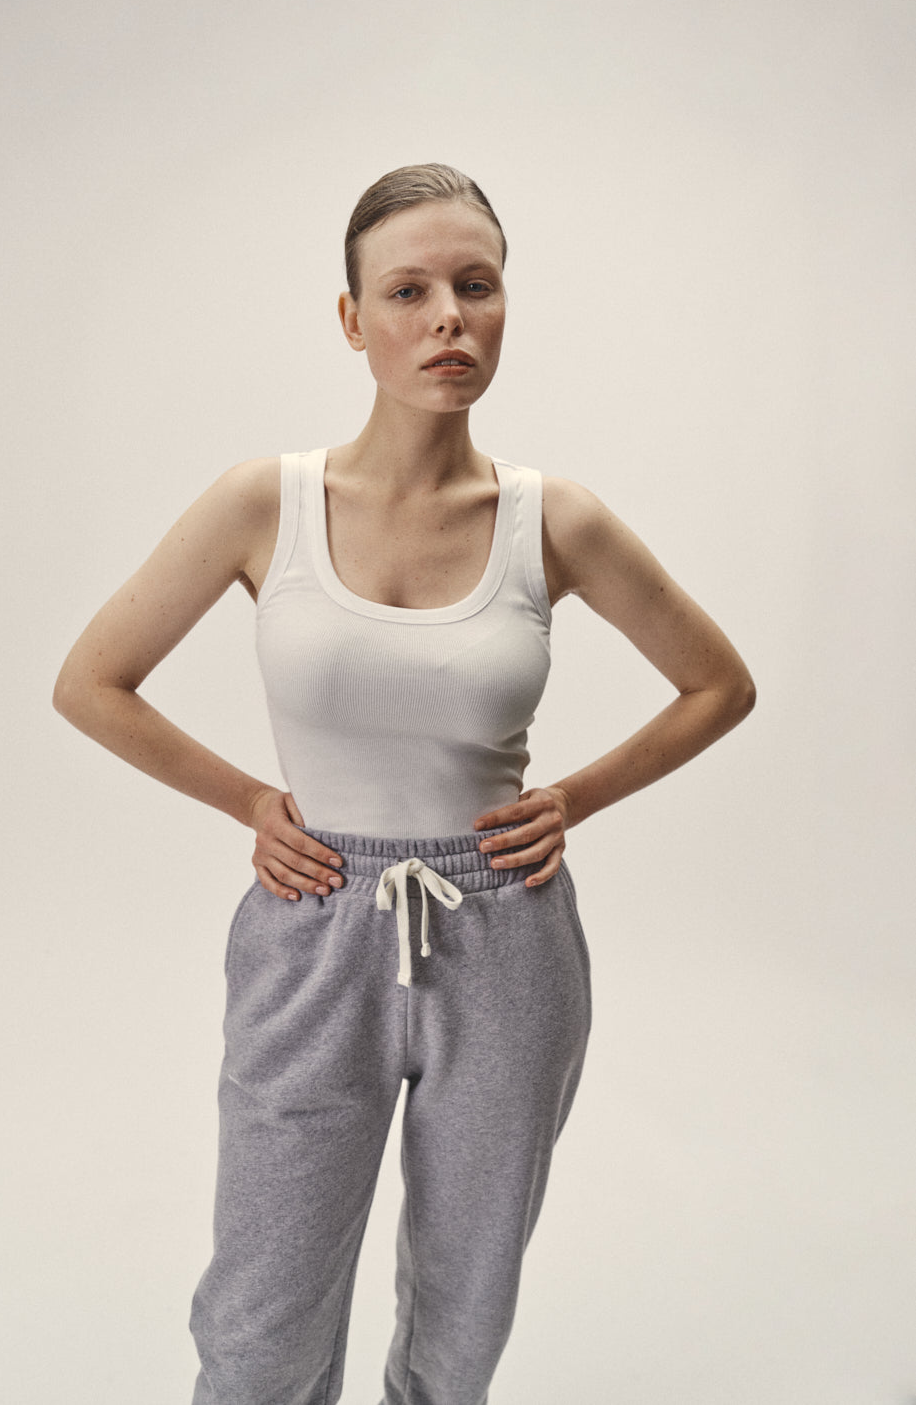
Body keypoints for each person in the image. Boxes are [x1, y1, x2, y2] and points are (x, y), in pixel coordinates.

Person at [53, 162, 755, 1405]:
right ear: (352, 318)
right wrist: (249, 802)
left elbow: (719, 684)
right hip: (313, 924)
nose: (448, 320)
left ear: (505, 304)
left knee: (462, 1316)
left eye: (476, 287)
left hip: (508, 937)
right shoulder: (265, 503)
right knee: (262, 1321)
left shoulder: (553, 520)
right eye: (409, 291)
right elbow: (92, 682)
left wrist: (575, 798)